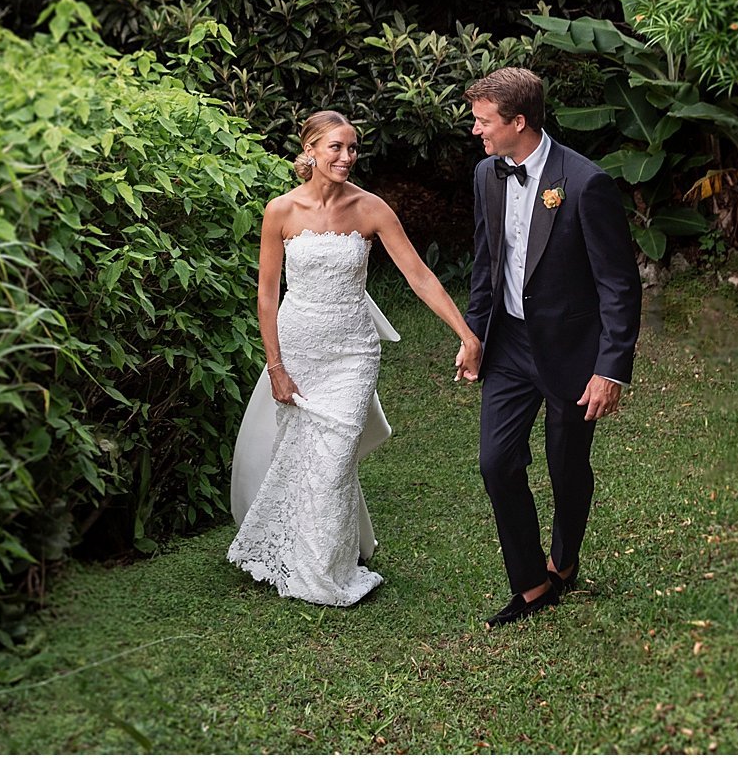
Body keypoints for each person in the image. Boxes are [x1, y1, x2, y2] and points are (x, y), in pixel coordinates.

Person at [227, 110, 484, 606]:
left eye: (353, 148)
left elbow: (419, 275)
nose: (347, 157)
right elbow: (266, 295)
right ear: (310, 150)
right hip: (298, 350)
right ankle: (299, 552)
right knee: (304, 455)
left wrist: (466, 334)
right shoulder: (280, 211)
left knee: (335, 457)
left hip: (352, 353)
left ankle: (324, 572)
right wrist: (276, 366)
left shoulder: (370, 208)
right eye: (336, 147)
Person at [462, 66, 642, 628]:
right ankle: (531, 584)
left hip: (571, 349)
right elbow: (486, 263)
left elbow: (619, 285)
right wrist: (474, 335)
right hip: (509, 345)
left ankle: (563, 562)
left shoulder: (585, 183)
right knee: (496, 463)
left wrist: (610, 369)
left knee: (567, 465)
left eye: (483, 120)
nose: (476, 130)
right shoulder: (487, 175)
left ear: (518, 121)